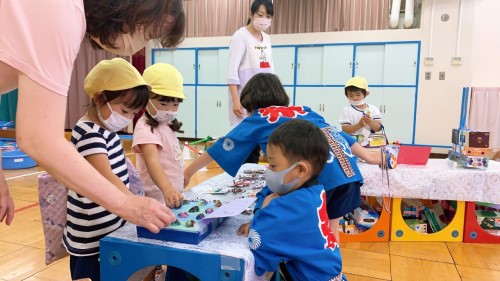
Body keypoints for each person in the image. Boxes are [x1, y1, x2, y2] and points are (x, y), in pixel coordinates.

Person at [0, 0, 185, 230]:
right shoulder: (61, 12)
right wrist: (125, 203)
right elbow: (38, 139)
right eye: (148, 34)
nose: (139, 46)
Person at [184, 73, 383, 242]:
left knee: (293, 215)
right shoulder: (304, 110)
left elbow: (223, 145)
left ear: (252, 104)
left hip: (318, 177)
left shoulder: (260, 117)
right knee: (330, 229)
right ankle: (333, 272)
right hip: (348, 174)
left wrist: (188, 171)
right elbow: (337, 135)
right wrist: (372, 157)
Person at [63, 58, 171, 281]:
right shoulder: (88, 132)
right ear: (99, 97)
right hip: (90, 235)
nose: (128, 119)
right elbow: (105, 177)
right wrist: (134, 203)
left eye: (133, 114)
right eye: (124, 110)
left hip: (110, 225)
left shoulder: (106, 130)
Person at [248, 119, 344, 281]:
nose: (268, 171)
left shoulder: (296, 205)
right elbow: (268, 191)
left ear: (300, 169)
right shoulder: (312, 188)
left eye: (273, 165)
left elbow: (257, 240)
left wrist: (262, 210)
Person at [132, 63, 196, 281]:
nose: (170, 108)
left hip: (171, 199)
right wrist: (168, 188)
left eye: (175, 103)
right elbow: (152, 162)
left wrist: (179, 182)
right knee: (152, 255)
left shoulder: (165, 126)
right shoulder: (144, 127)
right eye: (163, 102)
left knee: (173, 250)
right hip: (157, 200)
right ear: (145, 99)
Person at [227, 0, 274, 163]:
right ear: (251, 14)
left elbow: (270, 69)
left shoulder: (267, 39)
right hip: (245, 98)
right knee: (245, 142)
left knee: (260, 139)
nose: (264, 19)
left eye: (268, 16)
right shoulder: (241, 36)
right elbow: (232, 71)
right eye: (260, 15)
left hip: (264, 99)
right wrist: (235, 100)